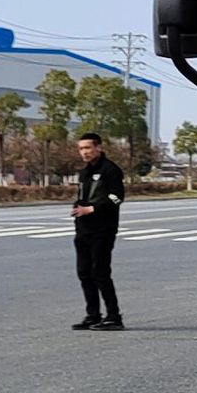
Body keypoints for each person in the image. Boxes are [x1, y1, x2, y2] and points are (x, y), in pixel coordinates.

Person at [71, 132, 125, 330]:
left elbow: (117, 197)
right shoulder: (84, 172)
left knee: (100, 272)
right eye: (81, 149)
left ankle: (114, 317)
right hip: (84, 229)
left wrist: (93, 209)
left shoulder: (110, 170)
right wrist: (77, 208)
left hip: (103, 229)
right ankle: (93, 315)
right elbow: (83, 196)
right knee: (84, 273)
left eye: (87, 148)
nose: (84, 152)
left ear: (98, 148)